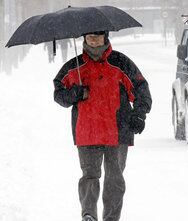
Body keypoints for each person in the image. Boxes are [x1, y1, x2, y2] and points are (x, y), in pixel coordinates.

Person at [53, 31, 152, 221]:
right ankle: (89, 214)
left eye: (98, 36)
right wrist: (75, 93)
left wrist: (140, 113)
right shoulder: (74, 67)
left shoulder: (121, 62)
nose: (94, 39)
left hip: (118, 131)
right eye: (90, 36)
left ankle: (111, 218)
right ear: (83, 38)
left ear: (105, 37)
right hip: (87, 131)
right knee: (89, 177)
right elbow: (59, 94)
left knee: (114, 179)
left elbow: (140, 88)